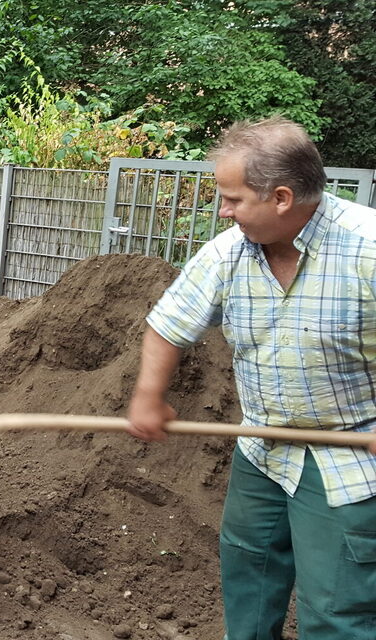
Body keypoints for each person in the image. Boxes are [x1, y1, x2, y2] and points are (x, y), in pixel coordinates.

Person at [126, 116, 376, 639]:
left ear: (282, 198)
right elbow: (168, 325)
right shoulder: (229, 253)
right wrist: (149, 396)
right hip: (261, 448)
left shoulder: (366, 248)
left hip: (346, 456)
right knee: (249, 580)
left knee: (337, 607)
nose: (223, 210)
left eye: (233, 199)